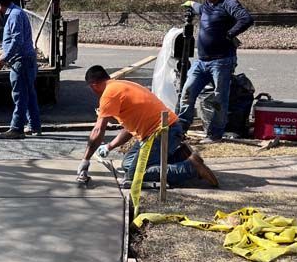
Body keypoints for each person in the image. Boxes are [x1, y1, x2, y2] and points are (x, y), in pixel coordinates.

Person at [77, 65, 219, 187]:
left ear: (94, 85)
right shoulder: (121, 86)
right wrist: (109, 146)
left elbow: (98, 129)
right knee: (127, 165)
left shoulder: (108, 95)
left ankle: (191, 168)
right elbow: (129, 127)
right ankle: (179, 157)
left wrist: (85, 160)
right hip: (163, 131)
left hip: (163, 132)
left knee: (134, 176)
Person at [179, 0, 253, 144]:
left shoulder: (228, 3)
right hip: (202, 61)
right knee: (187, 93)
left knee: (219, 98)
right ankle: (179, 130)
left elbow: (246, 18)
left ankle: (215, 135)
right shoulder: (206, 4)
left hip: (221, 61)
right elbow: (198, 8)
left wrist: (230, 34)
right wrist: (190, 5)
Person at [0, 0, 41, 139]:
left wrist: (5, 58)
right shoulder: (16, 12)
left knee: (20, 95)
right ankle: (34, 125)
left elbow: (17, 40)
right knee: (29, 94)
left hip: (21, 61)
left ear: (0, 5)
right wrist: (4, 54)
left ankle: (17, 128)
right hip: (24, 59)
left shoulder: (14, 15)